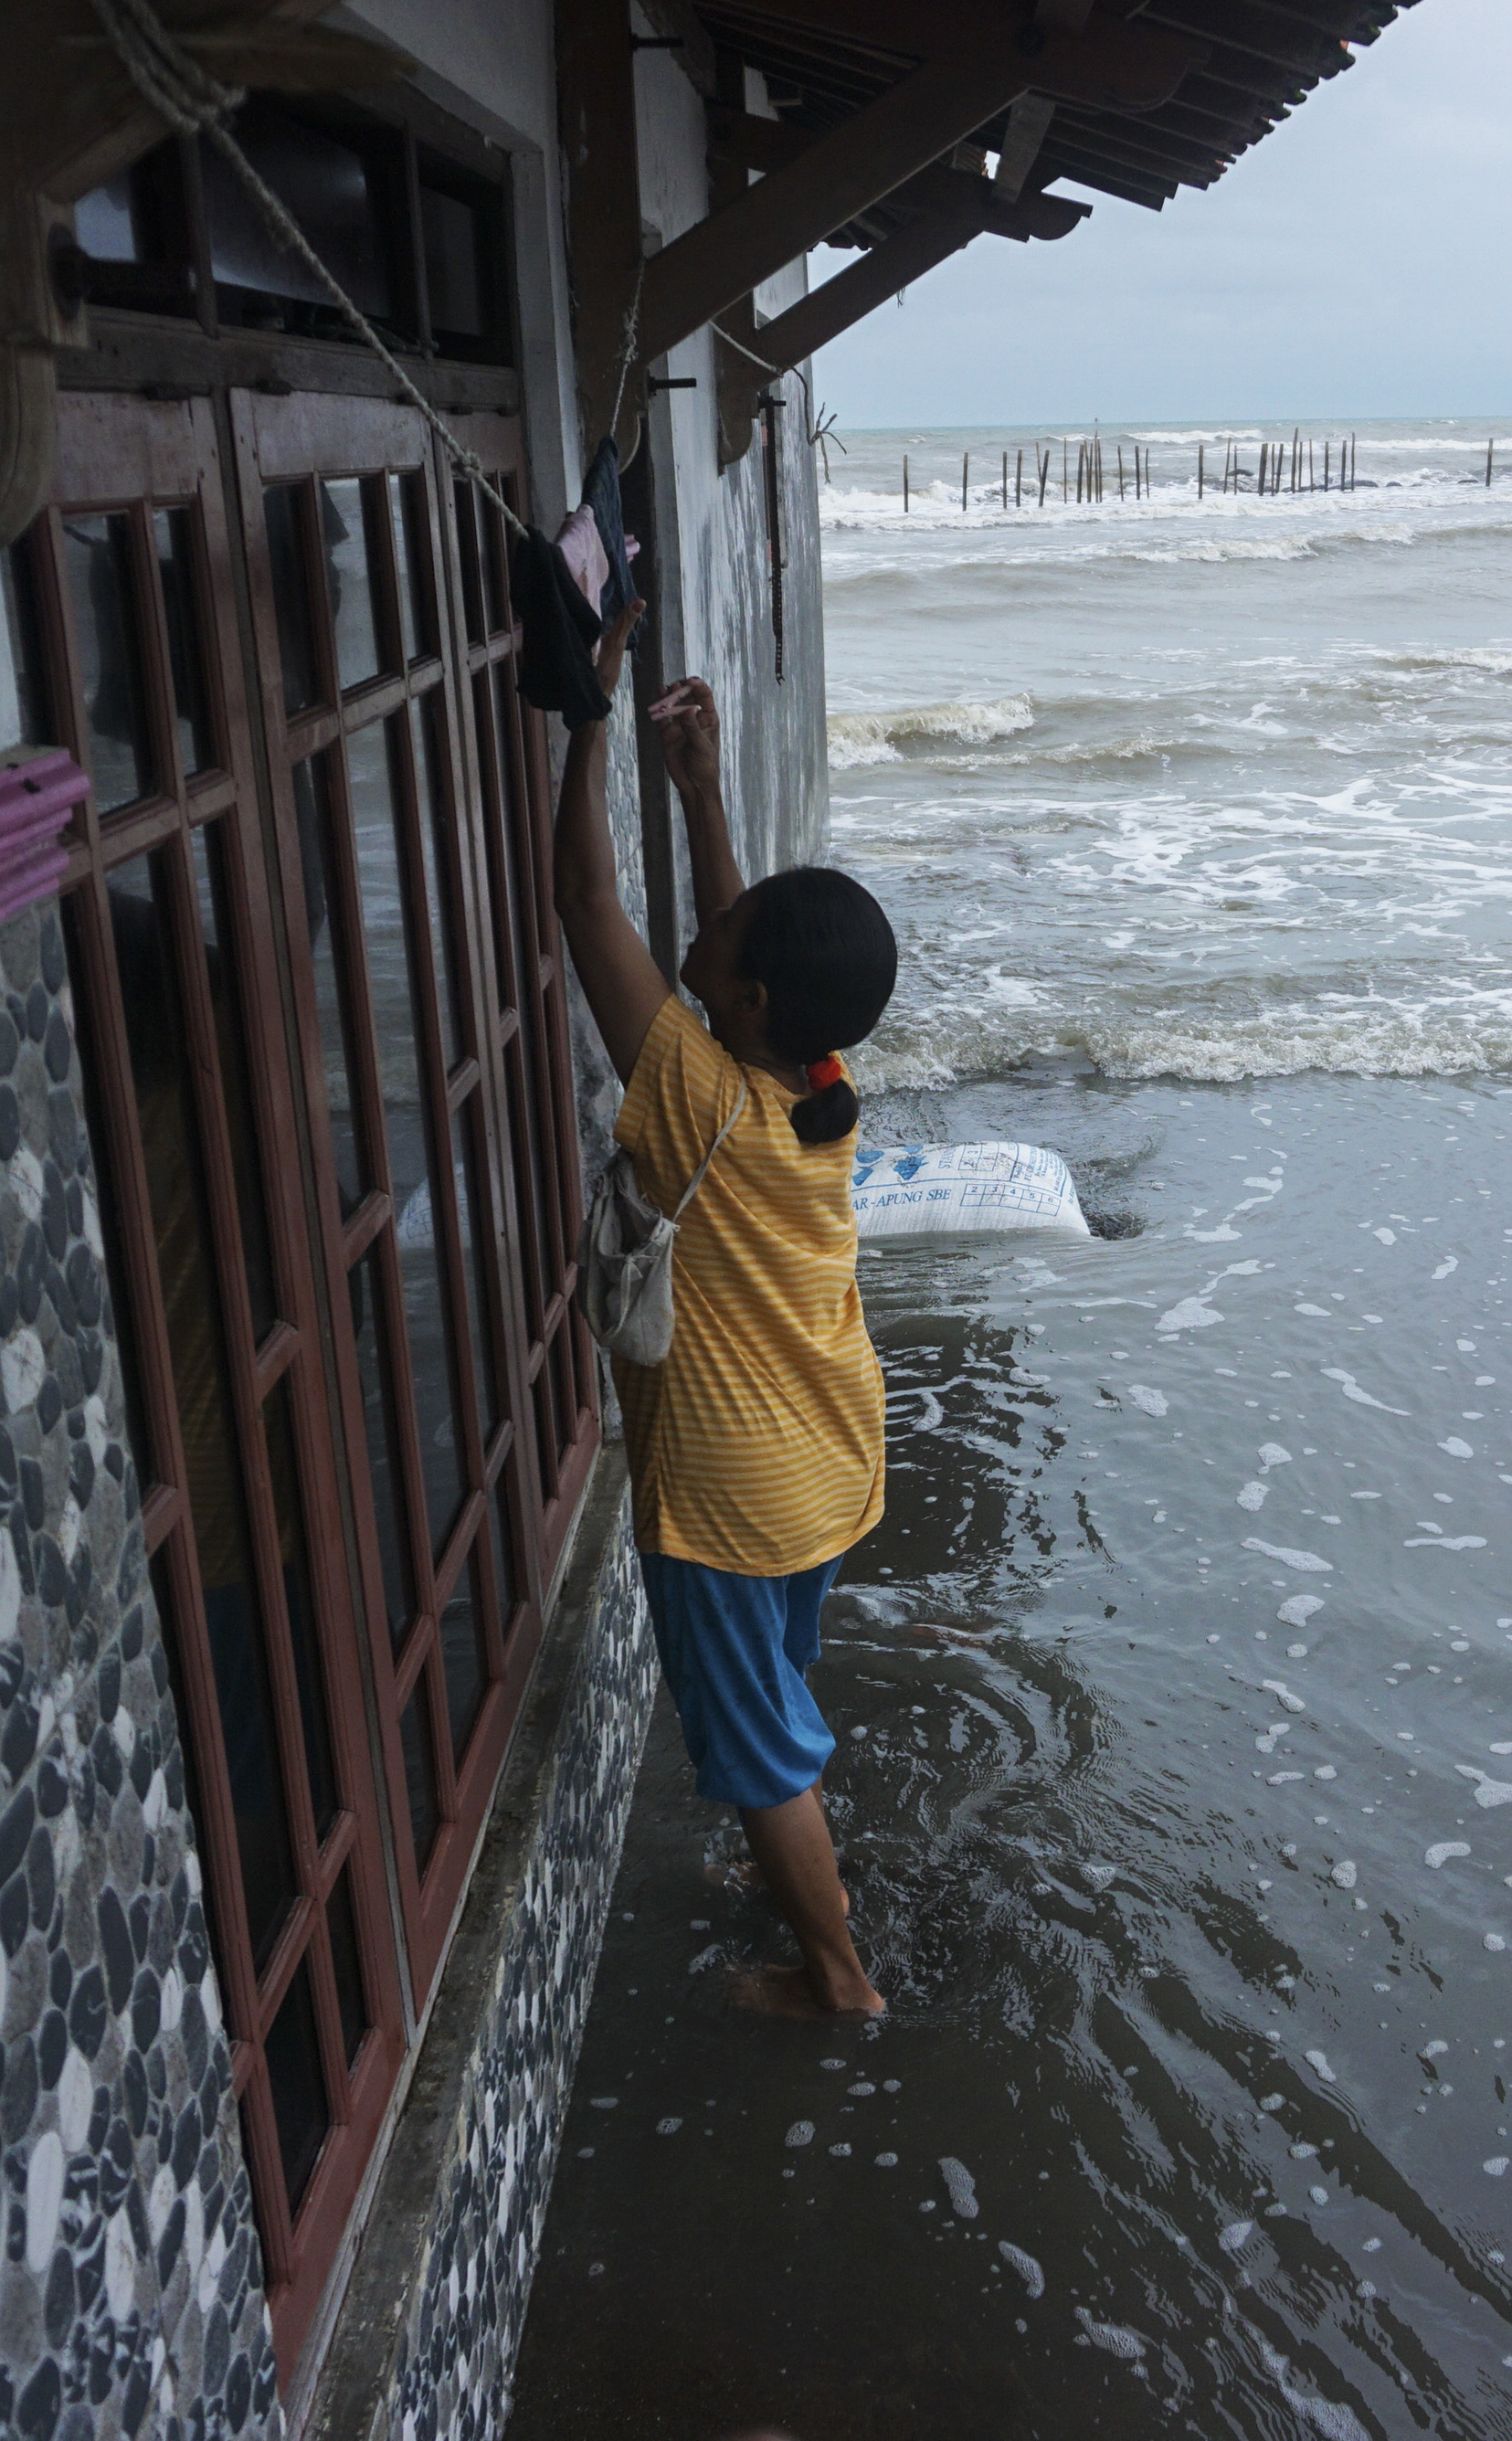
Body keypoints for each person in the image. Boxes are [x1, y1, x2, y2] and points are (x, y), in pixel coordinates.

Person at [550, 601, 900, 2017]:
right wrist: (696, 792)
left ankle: (839, 1981)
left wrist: (586, 717)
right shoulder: (812, 1090)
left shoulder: (697, 1095)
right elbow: (735, 951)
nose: (720, 913)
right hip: (828, 1453)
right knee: (773, 1706)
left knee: (757, 1749)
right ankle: (801, 1870)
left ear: (748, 996)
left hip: (730, 1492)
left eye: (736, 926)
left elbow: (583, 907)